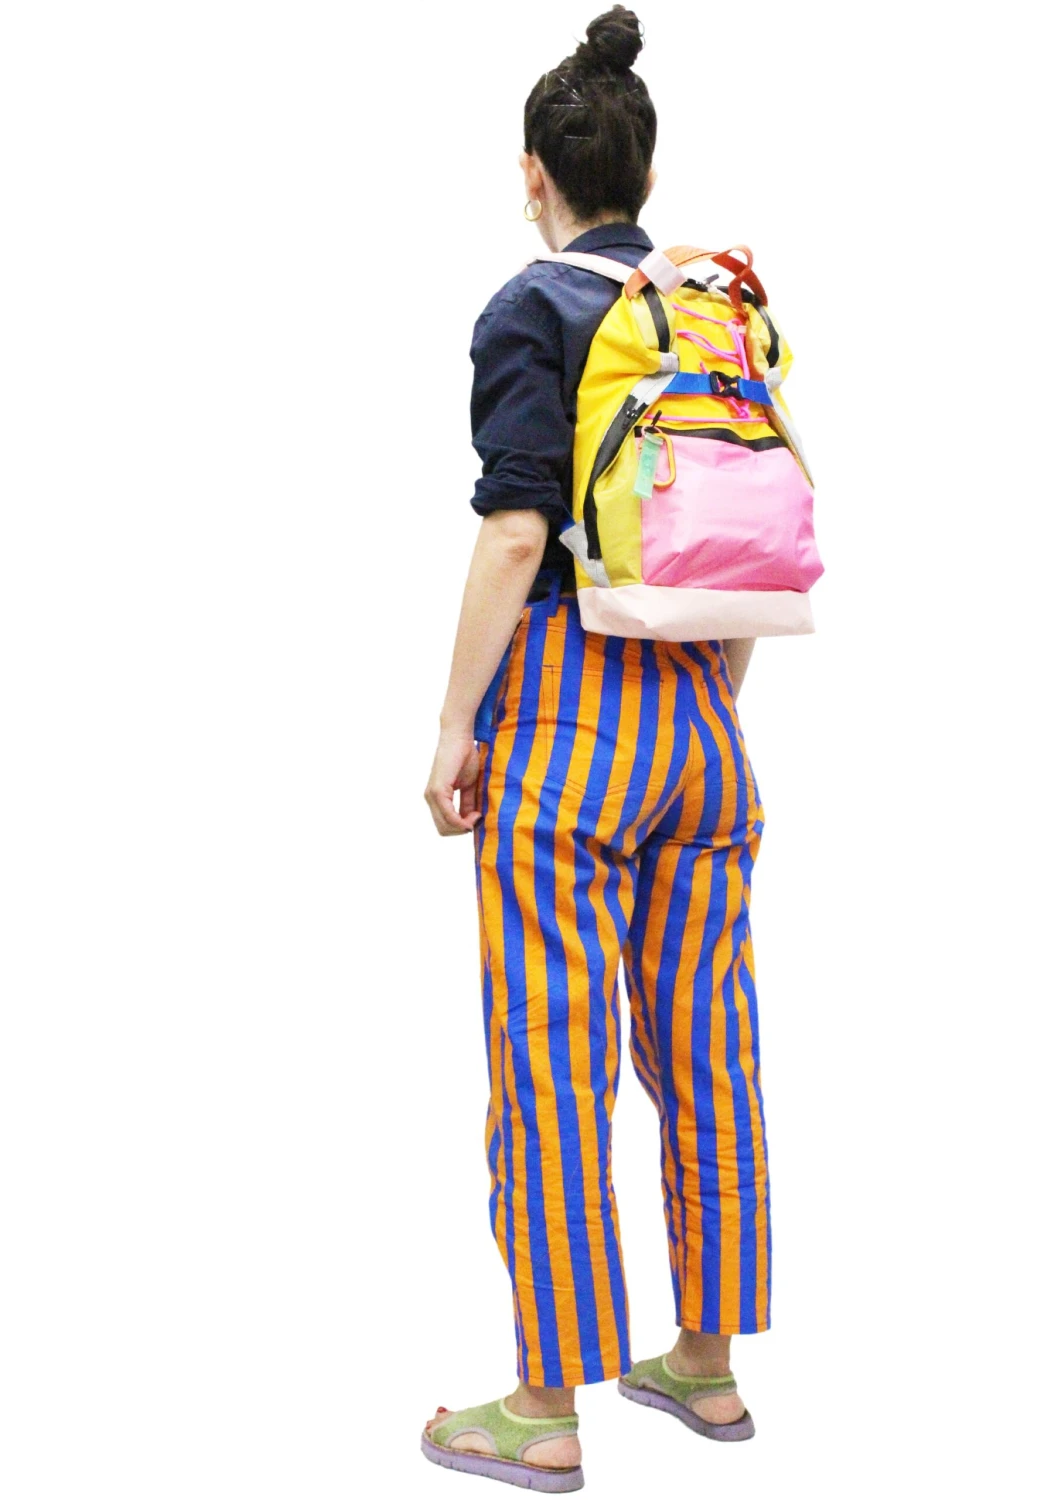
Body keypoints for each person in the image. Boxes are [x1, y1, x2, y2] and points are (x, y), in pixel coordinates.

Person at [421, 9, 772, 1490]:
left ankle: (544, 1405)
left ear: (534, 175)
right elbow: (743, 537)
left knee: (551, 1059)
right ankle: (704, 1362)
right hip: (704, 711)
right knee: (707, 1043)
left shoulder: (532, 309)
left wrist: (457, 726)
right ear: (645, 173)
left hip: (569, 719)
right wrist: (711, 704)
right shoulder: (711, 313)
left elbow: (519, 534)